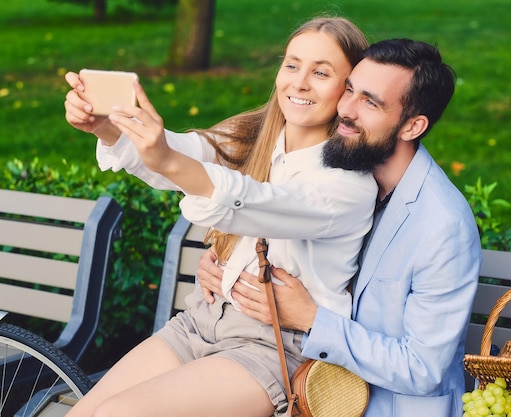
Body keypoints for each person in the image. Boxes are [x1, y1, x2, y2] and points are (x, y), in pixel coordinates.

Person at [62, 17, 387, 417]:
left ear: (348, 90)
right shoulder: (254, 135)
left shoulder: (346, 185)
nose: (299, 82)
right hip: (202, 320)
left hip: (271, 348)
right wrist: (109, 130)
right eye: (291, 65)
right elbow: (182, 152)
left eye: (321, 72)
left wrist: (166, 157)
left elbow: (253, 203)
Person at [197, 38, 482, 417]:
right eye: (349, 89)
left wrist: (312, 319)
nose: (345, 110)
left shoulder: (443, 225)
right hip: (303, 387)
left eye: (370, 102)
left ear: (412, 126)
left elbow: (422, 367)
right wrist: (228, 262)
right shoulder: (342, 177)